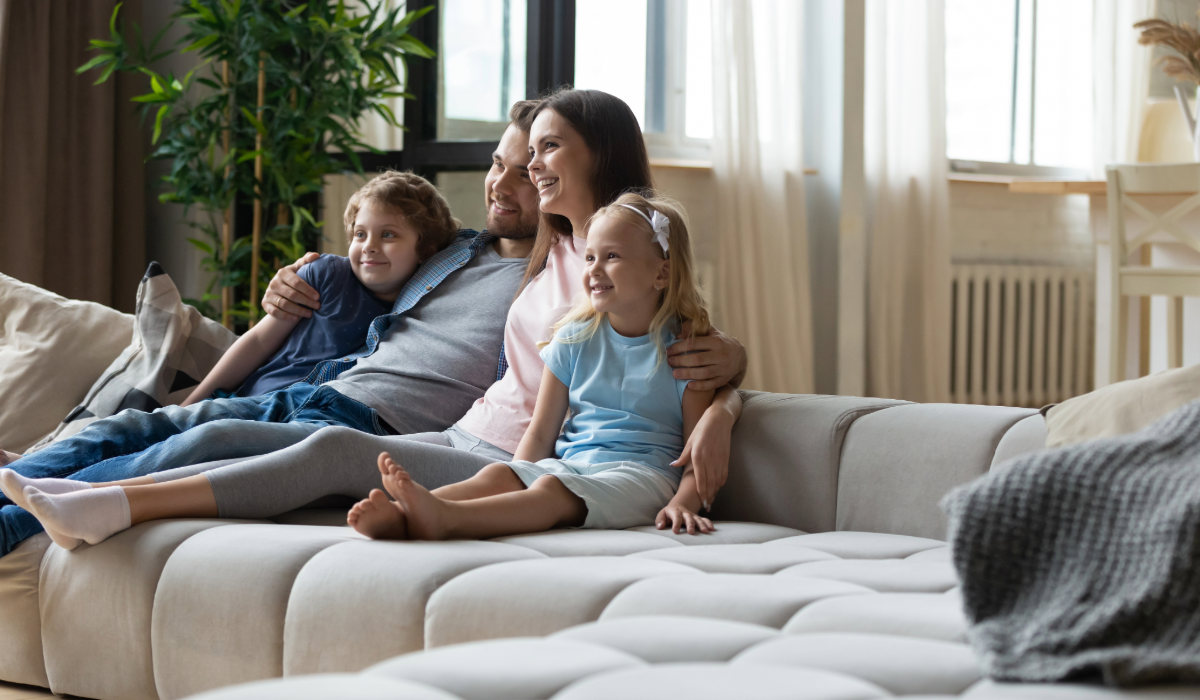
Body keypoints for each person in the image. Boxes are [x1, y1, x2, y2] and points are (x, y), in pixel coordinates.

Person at [0, 89, 746, 553]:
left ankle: (100, 505)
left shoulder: (620, 256)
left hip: (504, 453)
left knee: (324, 448)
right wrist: (304, 278)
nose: (525, 172)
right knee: (214, 431)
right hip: (463, 434)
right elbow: (388, 254)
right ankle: (56, 497)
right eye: (521, 156)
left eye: (546, 152)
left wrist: (726, 400)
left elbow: (683, 340)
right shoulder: (540, 250)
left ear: (600, 154)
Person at [349, 192, 718, 540]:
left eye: (613, 257)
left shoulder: (687, 352)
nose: (595, 270)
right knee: (499, 473)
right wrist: (516, 473)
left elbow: (694, 452)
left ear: (662, 274)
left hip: (641, 477)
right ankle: (402, 514)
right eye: (590, 258)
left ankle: (446, 519)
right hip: (572, 466)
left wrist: (682, 503)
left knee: (550, 490)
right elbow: (541, 435)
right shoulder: (572, 339)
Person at [182, 171, 459, 405]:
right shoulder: (326, 274)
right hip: (252, 401)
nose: (369, 246)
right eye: (360, 234)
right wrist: (190, 404)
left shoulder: (426, 312)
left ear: (426, 249)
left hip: (311, 419)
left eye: (388, 234)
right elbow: (258, 341)